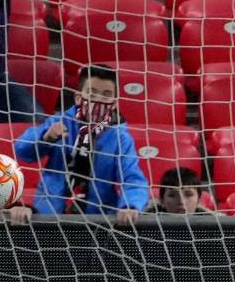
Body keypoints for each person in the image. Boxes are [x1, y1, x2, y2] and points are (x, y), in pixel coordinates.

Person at [13, 65, 149, 224]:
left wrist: (130, 205)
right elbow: (22, 151)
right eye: (92, 93)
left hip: (98, 222)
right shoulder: (59, 122)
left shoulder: (120, 138)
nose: (98, 100)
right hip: (50, 218)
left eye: (106, 95)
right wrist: (45, 137)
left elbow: (132, 178)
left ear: (114, 103)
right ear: (78, 97)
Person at [146, 166, 214, 214]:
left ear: (198, 200)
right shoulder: (144, 219)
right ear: (162, 201)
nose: (181, 201)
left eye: (188, 195)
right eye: (172, 195)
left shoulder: (213, 223)